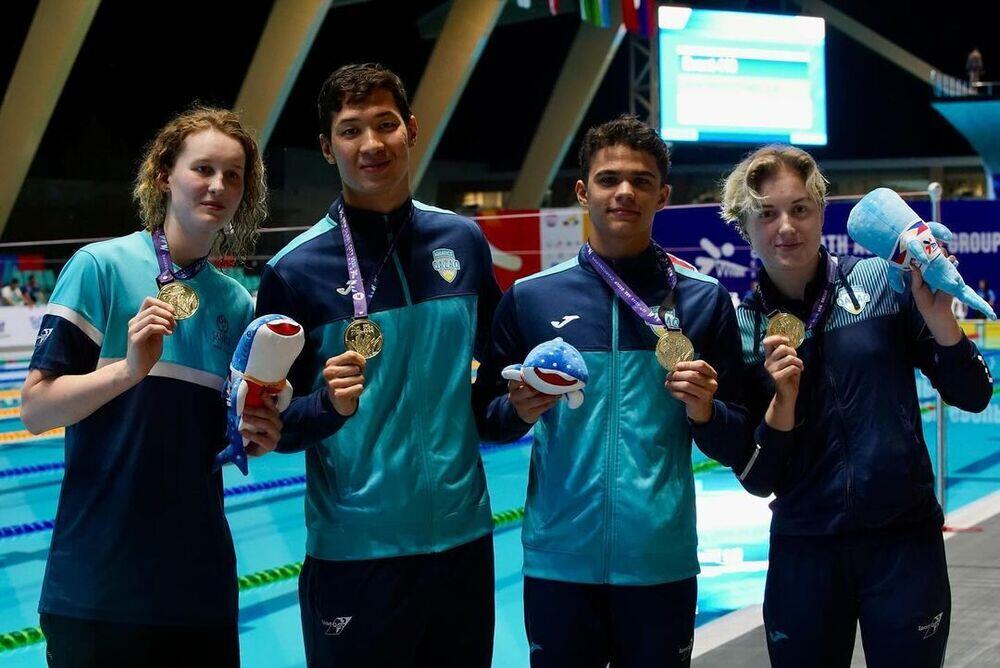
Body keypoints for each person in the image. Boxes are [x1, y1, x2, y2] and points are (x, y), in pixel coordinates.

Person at [474, 115, 749, 667]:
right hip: (559, 561)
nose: (625, 191)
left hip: (659, 560)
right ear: (583, 191)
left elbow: (739, 437)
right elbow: (483, 417)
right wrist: (517, 408)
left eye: (642, 180)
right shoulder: (532, 299)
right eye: (608, 179)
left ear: (662, 195)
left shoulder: (704, 300)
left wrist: (705, 412)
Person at [255, 63, 501, 667]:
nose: (371, 145)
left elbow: (499, 369)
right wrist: (326, 406)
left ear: (411, 129)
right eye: (350, 130)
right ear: (326, 146)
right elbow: (270, 424)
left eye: (385, 124)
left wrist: (517, 407)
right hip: (355, 552)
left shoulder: (462, 242)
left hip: (461, 544)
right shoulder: (294, 271)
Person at [21, 107, 281, 667]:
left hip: (197, 588)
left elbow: (224, 432)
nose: (218, 186)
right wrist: (127, 370)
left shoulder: (234, 302)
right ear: (165, 174)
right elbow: (35, 411)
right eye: (203, 168)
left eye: (233, 175)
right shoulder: (100, 267)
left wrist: (256, 431)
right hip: (98, 585)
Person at [720, 145, 993, 667]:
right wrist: (783, 400)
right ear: (744, 226)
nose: (786, 227)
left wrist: (940, 319)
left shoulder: (881, 284)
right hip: (805, 551)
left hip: (903, 546)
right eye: (767, 213)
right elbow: (758, 478)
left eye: (800, 209)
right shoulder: (744, 329)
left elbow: (974, 395)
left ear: (822, 212)